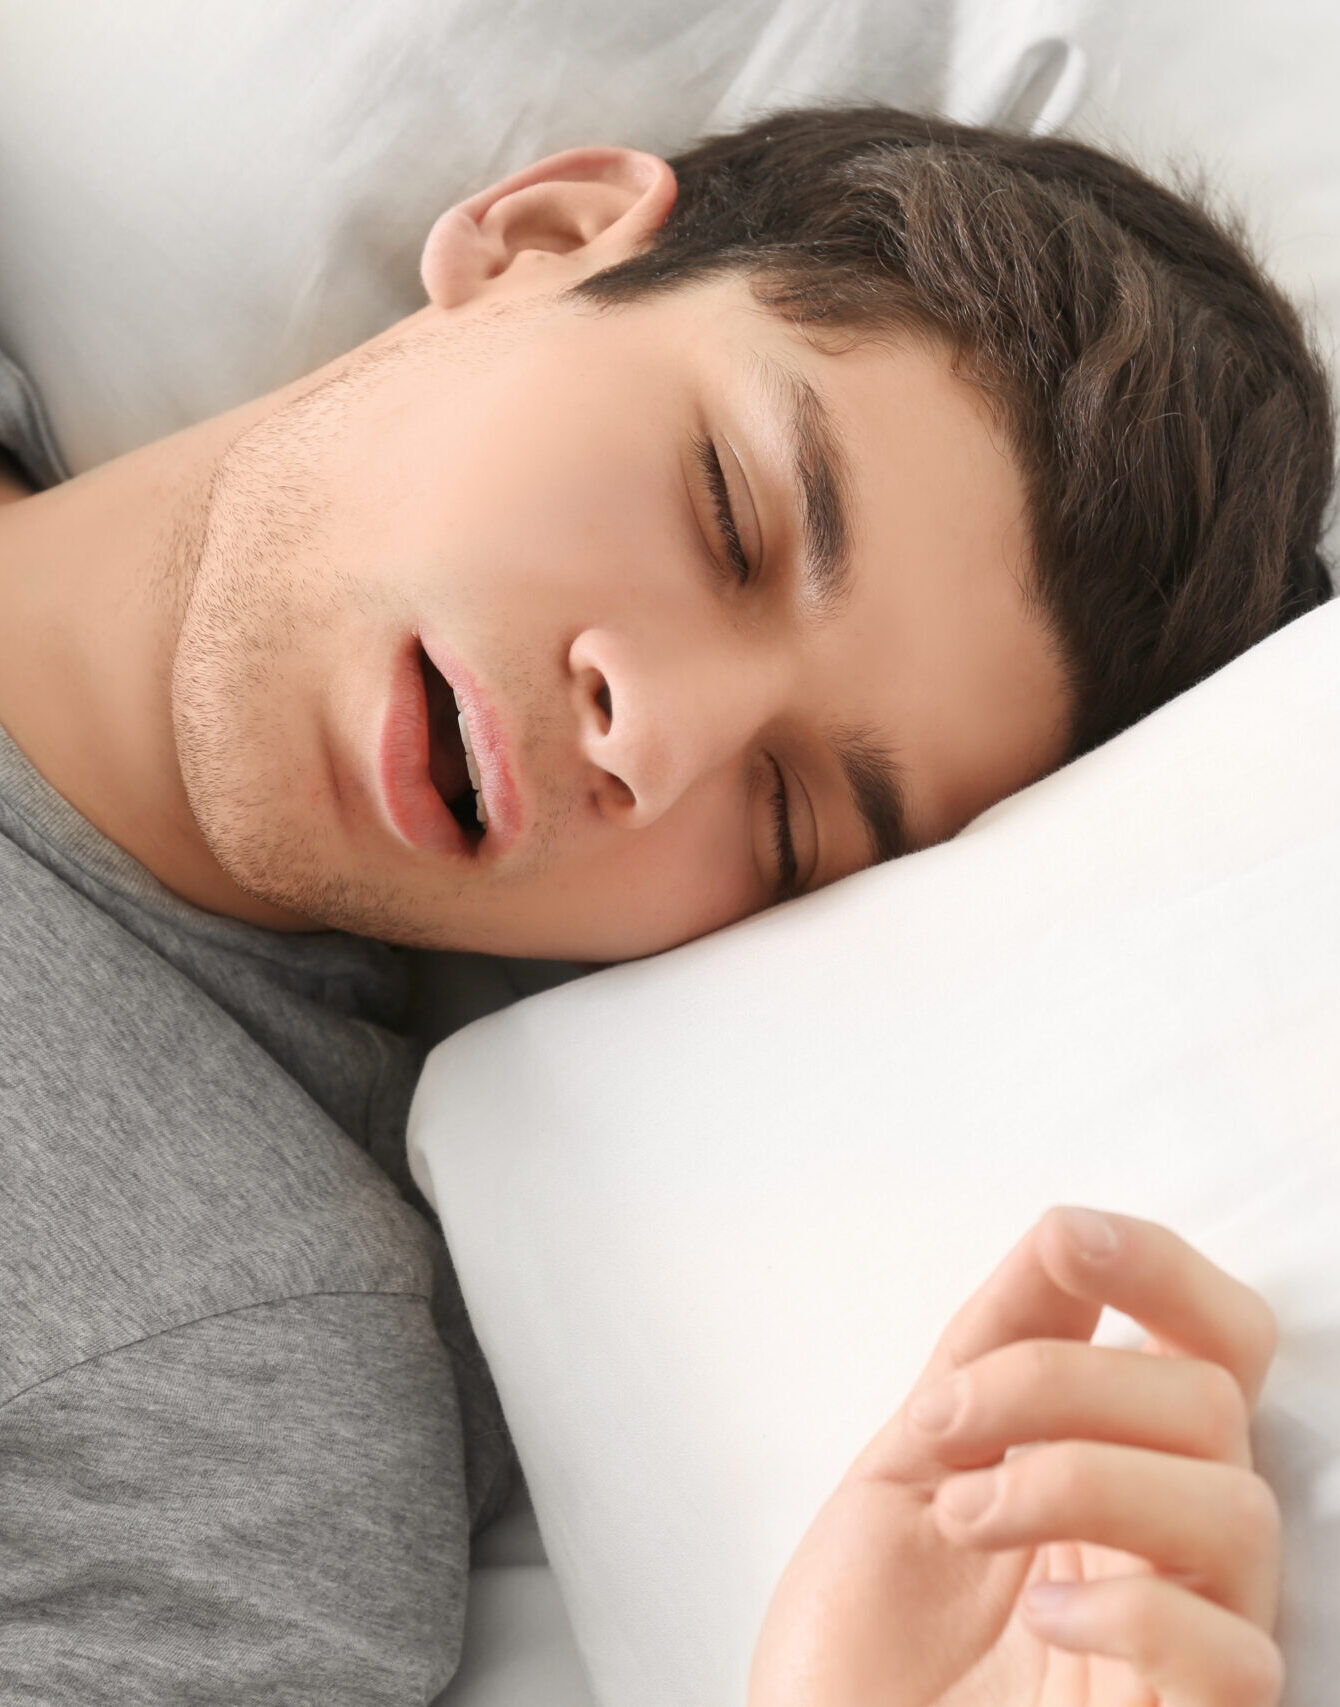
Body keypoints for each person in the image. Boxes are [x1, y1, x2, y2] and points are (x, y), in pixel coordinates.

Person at [0, 102, 1330, 1702]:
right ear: (543, 241)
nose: (665, 738)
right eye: (729, 515)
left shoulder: (228, 1387)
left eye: (786, 821)